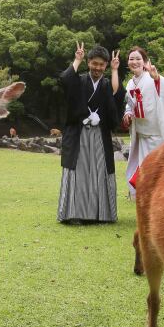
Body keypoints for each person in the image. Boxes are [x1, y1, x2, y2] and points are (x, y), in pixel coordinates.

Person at [57, 42, 125, 223]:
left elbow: (117, 94)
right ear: (89, 63)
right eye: (94, 63)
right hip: (79, 132)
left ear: (105, 66)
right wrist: (77, 59)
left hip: (99, 135)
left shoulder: (105, 84)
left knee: (99, 170)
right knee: (79, 172)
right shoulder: (79, 80)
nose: (97, 68)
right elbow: (65, 79)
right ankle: (74, 214)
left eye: (102, 65)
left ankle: (101, 214)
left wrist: (115, 70)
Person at [122, 46, 164, 200]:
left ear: (145, 61)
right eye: (131, 59)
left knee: (160, 175)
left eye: (138, 59)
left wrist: (157, 79)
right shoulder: (130, 84)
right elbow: (130, 104)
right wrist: (128, 113)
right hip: (141, 139)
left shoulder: (152, 78)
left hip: (158, 138)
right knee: (143, 177)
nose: (134, 62)